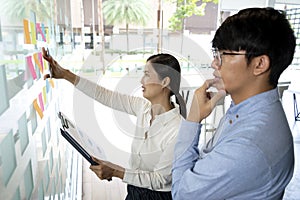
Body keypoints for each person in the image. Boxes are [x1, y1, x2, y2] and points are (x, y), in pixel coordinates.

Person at [172, 7, 295, 199]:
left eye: (223, 55)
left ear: (259, 64)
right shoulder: (245, 108)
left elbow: (181, 193)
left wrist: (193, 118)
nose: (215, 63)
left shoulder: (247, 145)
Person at [42, 49, 186, 200]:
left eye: (147, 75)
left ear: (165, 82)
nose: (141, 81)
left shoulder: (177, 129)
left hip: (157, 196)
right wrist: (65, 75)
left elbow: (159, 180)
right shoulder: (142, 108)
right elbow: (105, 95)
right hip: (135, 189)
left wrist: (116, 172)